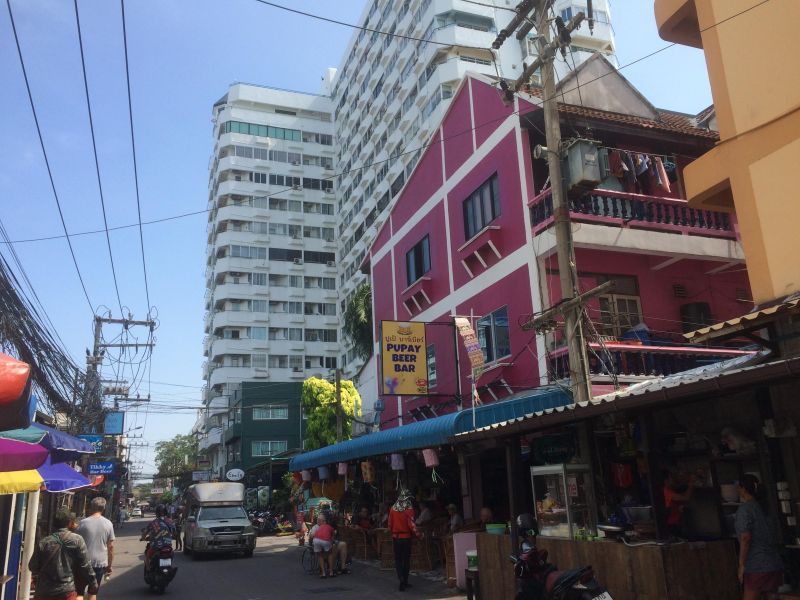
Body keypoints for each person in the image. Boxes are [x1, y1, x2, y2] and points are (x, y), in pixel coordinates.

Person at [29, 508, 97, 600]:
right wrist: (93, 582)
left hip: (44, 591)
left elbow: (32, 566)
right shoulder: (77, 540)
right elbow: (85, 565)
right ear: (69, 523)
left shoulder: (44, 542)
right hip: (66, 592)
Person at [735, 475, 784, 599]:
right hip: (774, 562)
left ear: (743, 489)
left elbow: (745, 538)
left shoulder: (745, 509)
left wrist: (741, 565)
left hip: (757, 565)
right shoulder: (766, 508)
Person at [76, 498, 115, 600]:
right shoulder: (108, 524)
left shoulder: (82, 523)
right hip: (99, 563)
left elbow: (75, 543)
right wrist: (109, 565)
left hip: (82, 563)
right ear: (104, 508)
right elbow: (111, 547)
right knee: (92, 592)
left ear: (91, 507)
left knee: (79, 593)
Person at [388, 489, 420, 592]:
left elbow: (390, 524)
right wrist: (418, 534)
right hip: (406, 538)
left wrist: (392, 533)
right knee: (406, 560)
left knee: (398, 560)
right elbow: (411, 525)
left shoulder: (393, 508)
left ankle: (401, 578)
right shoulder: (409, 509)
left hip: (396, 538)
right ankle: (405, 581)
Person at [140, 505, 175, 572]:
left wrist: (143, 538)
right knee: (171, 554)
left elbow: (144, 533)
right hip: (168, 547)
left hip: (156, 547)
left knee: (147, 556)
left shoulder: (153, 523)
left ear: (157, 513)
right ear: (165, 512)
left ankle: (149, 571)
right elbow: (175, 533)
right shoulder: (170, 521)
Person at [662, 468, 693, 536]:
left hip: (674, 522)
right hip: (672, 523)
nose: (672, 480)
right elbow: (685, 498)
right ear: (666, 481)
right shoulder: (667, 492)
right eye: (671, 478)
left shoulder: (668, 491)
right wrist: (690, 485)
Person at [309, 514, 336, 578]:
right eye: (318, 519)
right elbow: (333, 534)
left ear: (324, 521)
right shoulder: (327, 526)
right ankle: (331, 572)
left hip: (316, 541)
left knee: (320, 555)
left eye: (320, 520)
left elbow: (312, 536)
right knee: (330, 553)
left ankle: (323, 573)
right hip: (325, 541)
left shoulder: (318, 527)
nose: (318, 521)